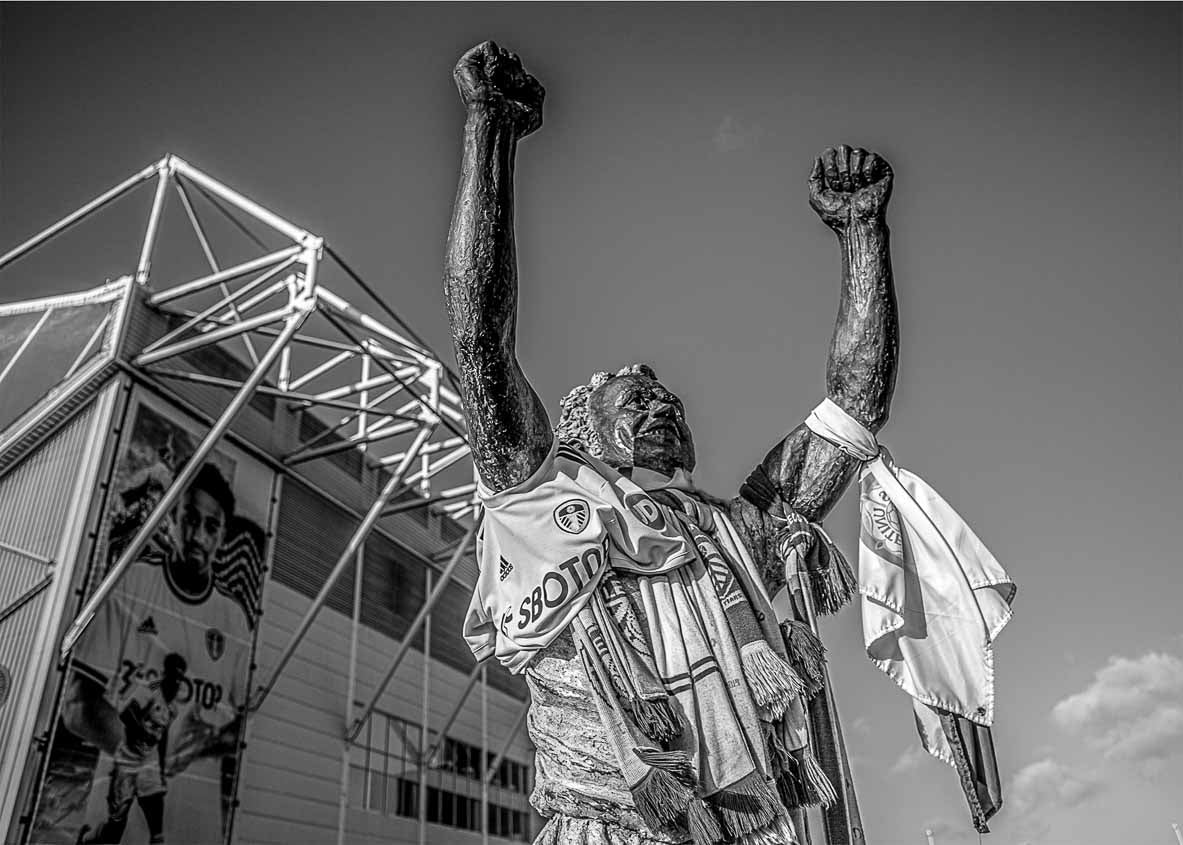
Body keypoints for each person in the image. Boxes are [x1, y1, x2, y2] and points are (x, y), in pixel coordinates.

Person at [444, 42, 898, 845]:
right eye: (634, 400)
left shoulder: (739, 525)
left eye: (666, 399)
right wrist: (491, 131)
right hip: (606, 821)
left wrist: (862, 235)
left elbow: (853, 407)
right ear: (580, 429)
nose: (658, 406)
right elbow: (482, 342)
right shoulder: (539, 495)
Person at [38, 459, 252, 845]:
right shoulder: (131, 584)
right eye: (189, 518)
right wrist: (141, 758)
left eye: (211, 526)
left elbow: (242, 725)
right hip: (115, 824)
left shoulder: (234, 621)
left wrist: (209, 740)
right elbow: (77, 706)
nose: (198, 535)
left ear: (222, 537)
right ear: (171, 517)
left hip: (196, 829)